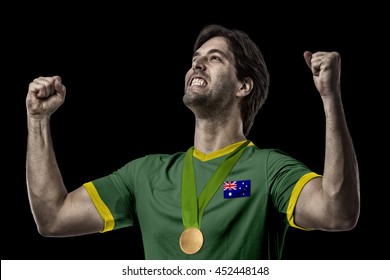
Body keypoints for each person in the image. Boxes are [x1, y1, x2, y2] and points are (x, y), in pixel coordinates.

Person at [25, 24, 360, 260]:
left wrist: (330, 98)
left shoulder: (269, 169)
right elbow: (53, 218)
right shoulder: (145, 175)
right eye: (196, 58)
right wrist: (38, 122)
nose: (197, 63)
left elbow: (337, 213)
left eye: (215, 58)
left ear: (243, 86)